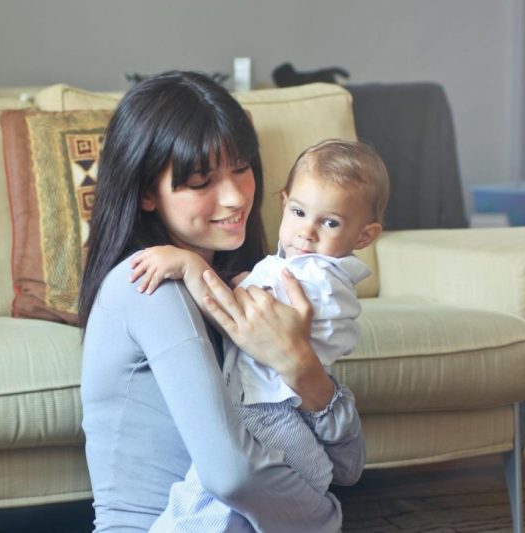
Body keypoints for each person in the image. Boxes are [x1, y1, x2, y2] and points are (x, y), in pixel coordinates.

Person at [79, 71, 365, 533]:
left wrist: (300, 365)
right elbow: (230, 475)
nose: (234, 197)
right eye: (200, 181)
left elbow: (349, 466)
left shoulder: (255, 288)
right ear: (148, 193)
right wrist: (326, 519)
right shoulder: (148, 285)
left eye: (240, 167)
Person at [129, 139, 389, 532]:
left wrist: (187, 264)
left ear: (365, 236)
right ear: (284, 203)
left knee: (199, 502)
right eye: (300, 212)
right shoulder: (308, 272)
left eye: (330, 222)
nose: (307, 233)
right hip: (290, 423)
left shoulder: (313, 275)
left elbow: (234, 315)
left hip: (268, 414)